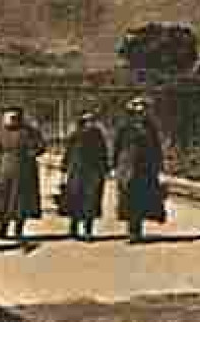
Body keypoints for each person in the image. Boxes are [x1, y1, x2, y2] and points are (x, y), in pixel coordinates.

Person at [113, 97, 167, 243]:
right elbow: (117, 147)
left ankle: (137, 230)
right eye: (137, 110)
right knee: (129, 199)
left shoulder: (150, 128)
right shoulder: (125, 127)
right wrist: (114, 167)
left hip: (145, 169)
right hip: (128, 168)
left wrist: (160, 168)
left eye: (142, 110)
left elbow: (156, 149)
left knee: (142, 199)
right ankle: (132, 231)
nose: (140, 113)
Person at [0, 105, 44, 244]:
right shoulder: (0, 133)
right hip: (5, 170)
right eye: (9, 117)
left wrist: (32, 153)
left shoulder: (29, 132)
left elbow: (41, 146)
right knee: (4, 200)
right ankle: (3, 227)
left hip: (25, 171)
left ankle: (19, 229)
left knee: (22, 202)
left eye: (15, 117)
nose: (11, 120)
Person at [58, 111, 111, 241]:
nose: (90, 123)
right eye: (87, 120)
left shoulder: (98, 135)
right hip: (76, 172)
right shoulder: (75, 135)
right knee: (75, 199)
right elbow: (68, 153)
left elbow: (103, 153)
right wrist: (64, 169)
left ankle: (88, 230)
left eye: (92, 120)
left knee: (91, 202)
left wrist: (105, 169)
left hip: (93, 173)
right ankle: (73, 228)